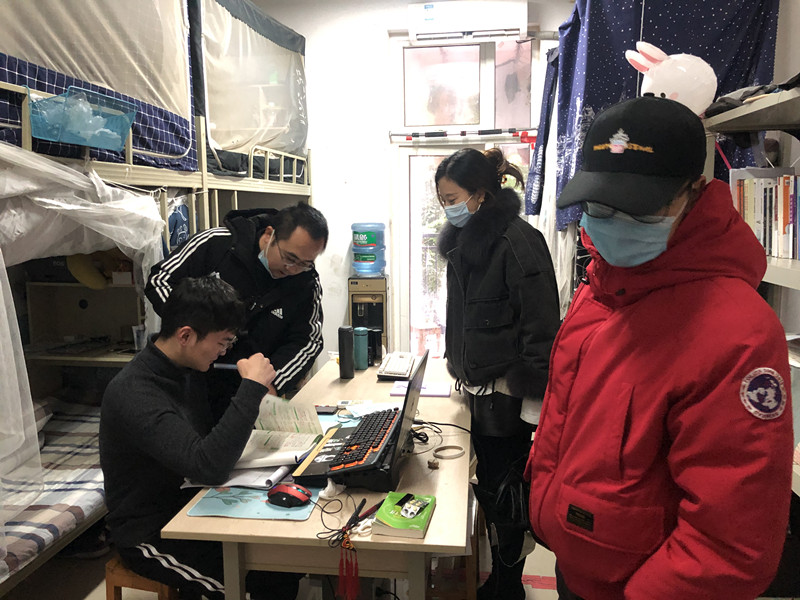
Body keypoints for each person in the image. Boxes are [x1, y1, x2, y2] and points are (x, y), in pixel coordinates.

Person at [526, 96, 794, 600]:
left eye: (637, 207)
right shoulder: (602, 287)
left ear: (695, 192)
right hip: (577, 566)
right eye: (598, 205)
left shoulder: (736, 332)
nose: (611, 221)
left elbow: (730, 544)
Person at [100, 275, 302, 599]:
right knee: (251, 587)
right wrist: (251, 388)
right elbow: (208, 466)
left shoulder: (187, 368)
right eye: (222, 343)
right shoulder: (135, 393)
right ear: (186, 335)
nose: (224, 351)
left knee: (282, 563)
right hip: (149, 531)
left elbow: (213, 439)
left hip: (192, 501)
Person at [435, 147, 560, 600]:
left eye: (452, 199)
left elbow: (541, 327)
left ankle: (509, 587)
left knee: (508, 496)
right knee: (488, 488)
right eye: (442, 200)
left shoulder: (519, 241)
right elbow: (463, 316)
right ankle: (498, 577)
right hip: (477, 390)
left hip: (509, 400)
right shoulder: (463, 241)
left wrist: (533, 406)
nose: (447, 208)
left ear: (481, 194)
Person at [146, 201, 328, 418]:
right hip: (190, 377)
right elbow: (160, 280)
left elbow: (308, 341)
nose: (292, 269)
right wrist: (197, 328)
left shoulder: (306, 282)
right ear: (269, 235)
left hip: (251, 387)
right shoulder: (216, 244)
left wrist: (273, 381)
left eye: (305, 264)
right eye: (289, 258)